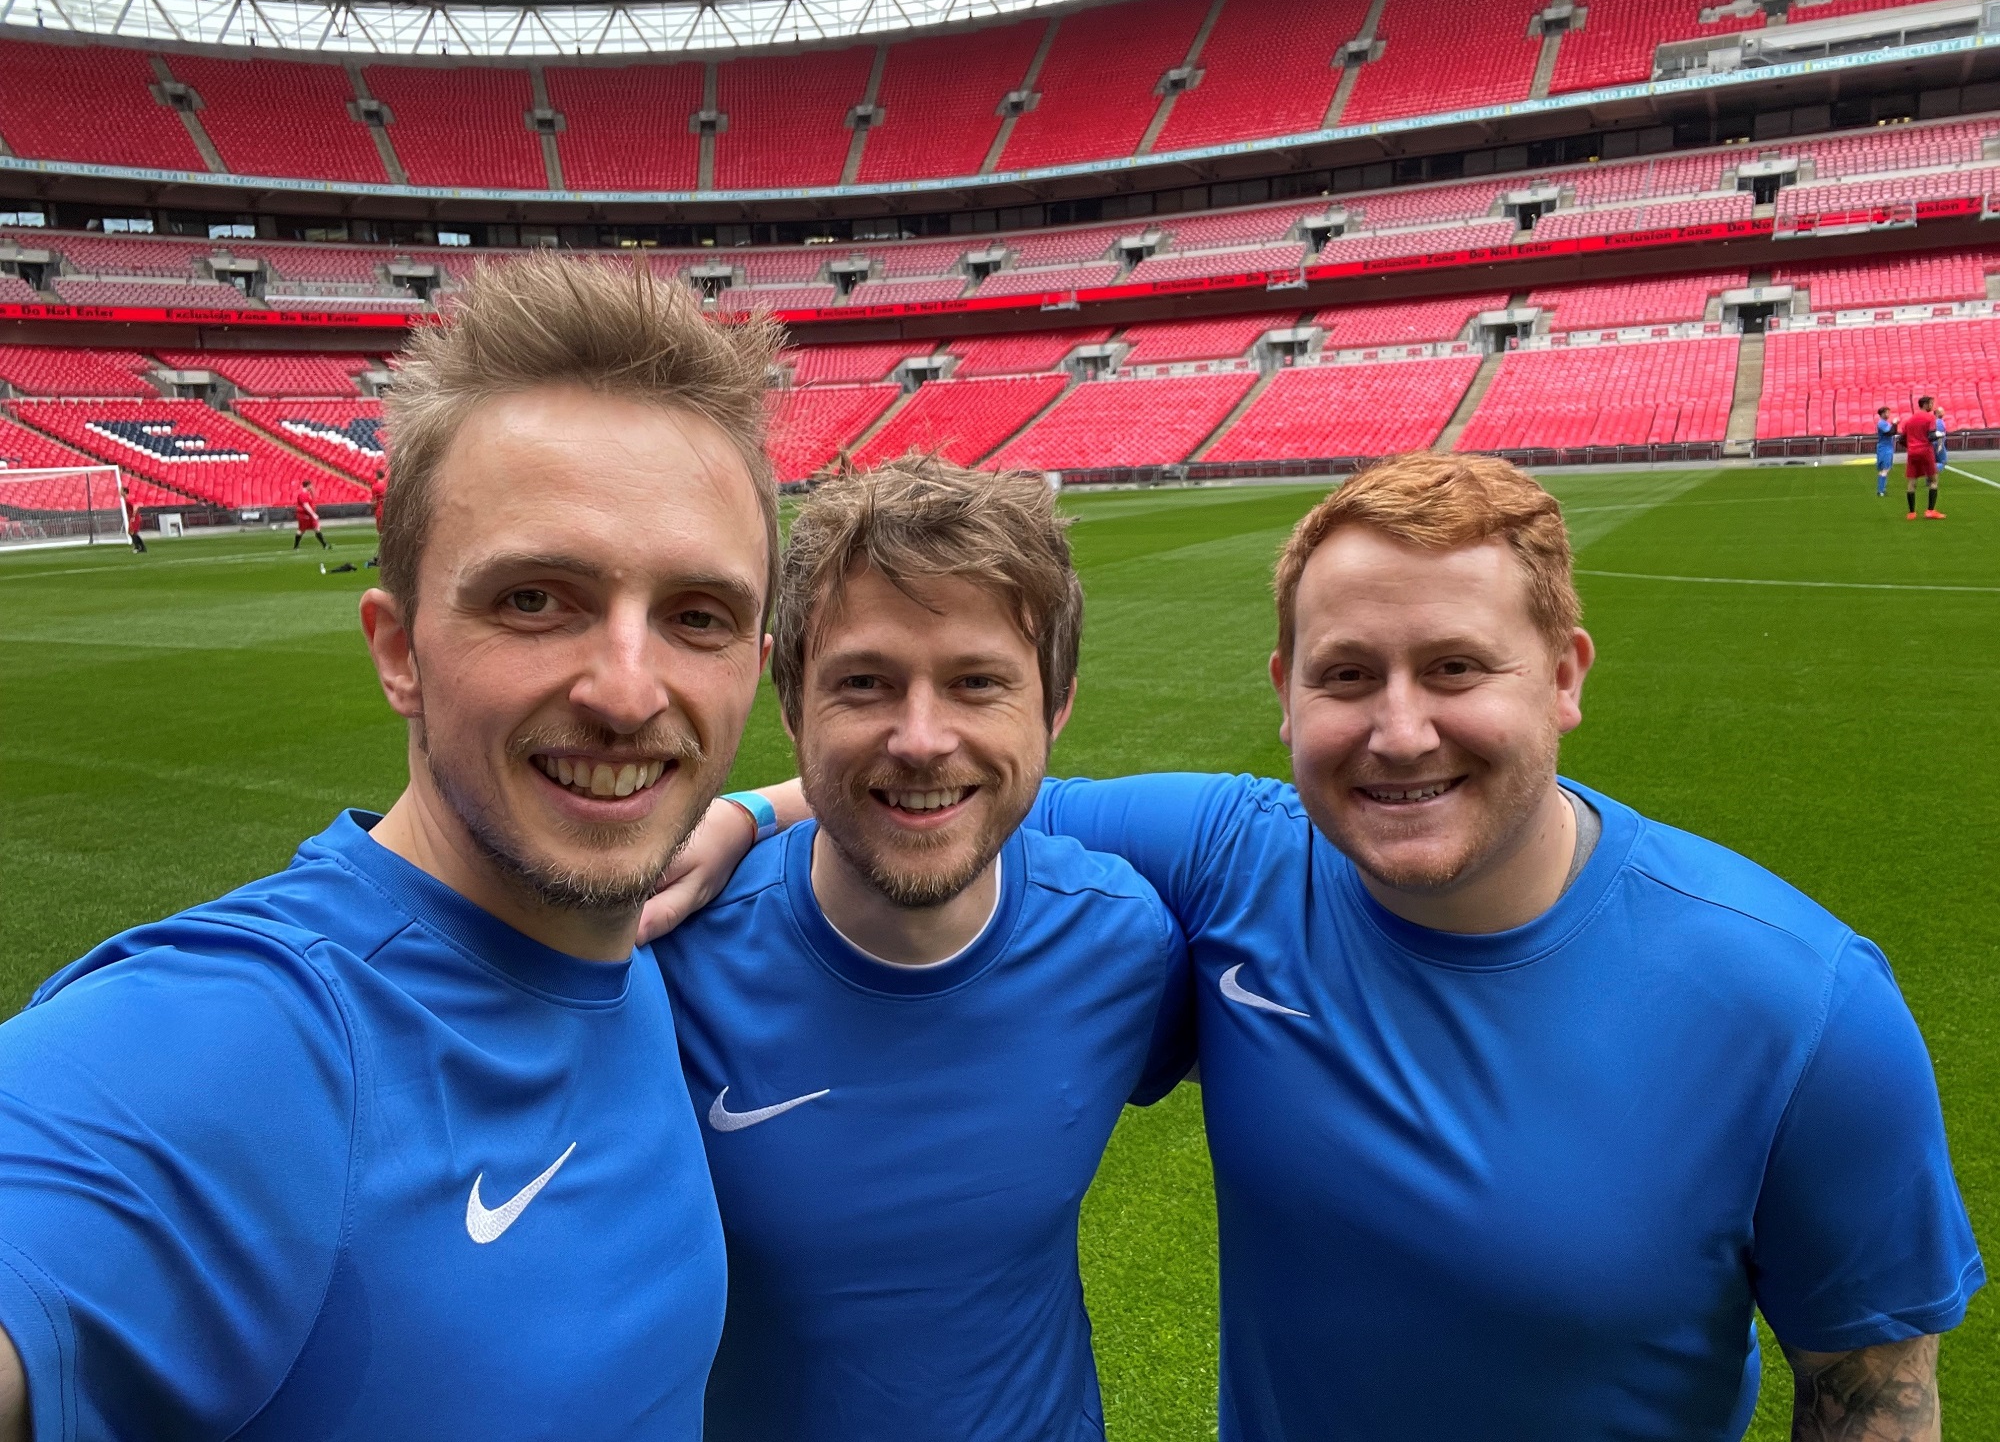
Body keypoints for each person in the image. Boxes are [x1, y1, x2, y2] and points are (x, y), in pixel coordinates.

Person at [657, 453, 1983, 1442]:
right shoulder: (1237, 862)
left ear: (1568, 673)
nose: (1400, 731)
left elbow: (1873, 1401)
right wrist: (741, 810)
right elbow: (958, 793)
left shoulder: (1800, 1007)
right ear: (1286, 690)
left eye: (1457, 668)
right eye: (1349, 677)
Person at [0, 255, 783, 1441]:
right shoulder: (249, 1036)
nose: (630, 692)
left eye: (697, 617)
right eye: (535, 599)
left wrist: (762, 809)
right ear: (399, 648)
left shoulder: (632, 939)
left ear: (754, 666)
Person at [658, 458, 1188, 1442]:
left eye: (976, 682)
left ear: (1055, 708)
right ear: (790, 707)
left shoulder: (1126, 942)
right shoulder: (665, 964)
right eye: (863, 683)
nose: (920, 738)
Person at [1902, 395, 1943, 520]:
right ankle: (1930, 511)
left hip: (1912, 452)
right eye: (1931, 403)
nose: (1932, 406)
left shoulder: (1909, 420)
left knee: (1912, 482)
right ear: (1925, 404)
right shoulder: (1930, 417)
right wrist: (1939, 435)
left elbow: (1901, 439)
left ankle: (1911, 513)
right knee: (1933, 480)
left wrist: (1910, 445)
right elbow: (1931, 436)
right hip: (1925, 450)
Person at [292, 477, 330, 550]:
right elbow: (306, 505)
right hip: (305, 515)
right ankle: (324, 545)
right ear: (308, 485)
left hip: (306, 515)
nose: (312, 487)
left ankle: (325, 545)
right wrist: (313, 514)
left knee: (306, 529)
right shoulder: (303, 494)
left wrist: (312, 492)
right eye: (311, 485)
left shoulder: (306, 493)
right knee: (304, 529)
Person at [1874, 405, 1896, 497]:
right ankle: (1881, 490)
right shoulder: (1882, 423)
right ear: (1882, 414)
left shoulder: (1885, 423)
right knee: (1885, 469)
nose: (1888, 414)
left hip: (1886, 447)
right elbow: (1890, 432)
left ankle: (1881, 489)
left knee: (1883, 469)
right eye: (1887, 412)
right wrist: (1895, 424)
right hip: (1885, 448)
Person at [122, 486, 145, 553]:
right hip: (132, 518)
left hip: (135, 518)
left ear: (124, 492)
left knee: (133, 532)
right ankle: (139, 547)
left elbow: (135, 506)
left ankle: (140, 547)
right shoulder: (125, 499)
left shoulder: (128, 499)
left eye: (121, 491)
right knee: (130, 532)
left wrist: (133, 516)